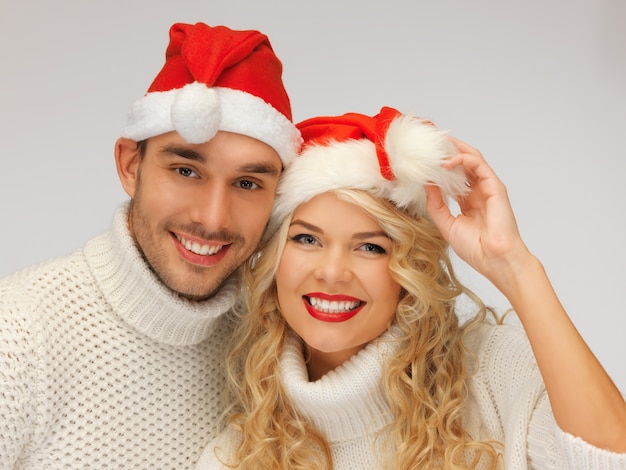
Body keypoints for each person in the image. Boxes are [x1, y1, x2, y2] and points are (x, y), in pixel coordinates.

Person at [197, 107, 626, 469]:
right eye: (307, 239)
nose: (332, 272)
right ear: (273, 258)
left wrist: (516, 267)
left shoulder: (492, 371)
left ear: (409, 268)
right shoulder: (236, 456)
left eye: (370, 246)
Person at [0, 22, 301, 469]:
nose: (213, 218)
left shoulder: (269, 343)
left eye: (247, 182)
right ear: (129, 164)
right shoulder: (18, 335)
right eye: (185, 171)